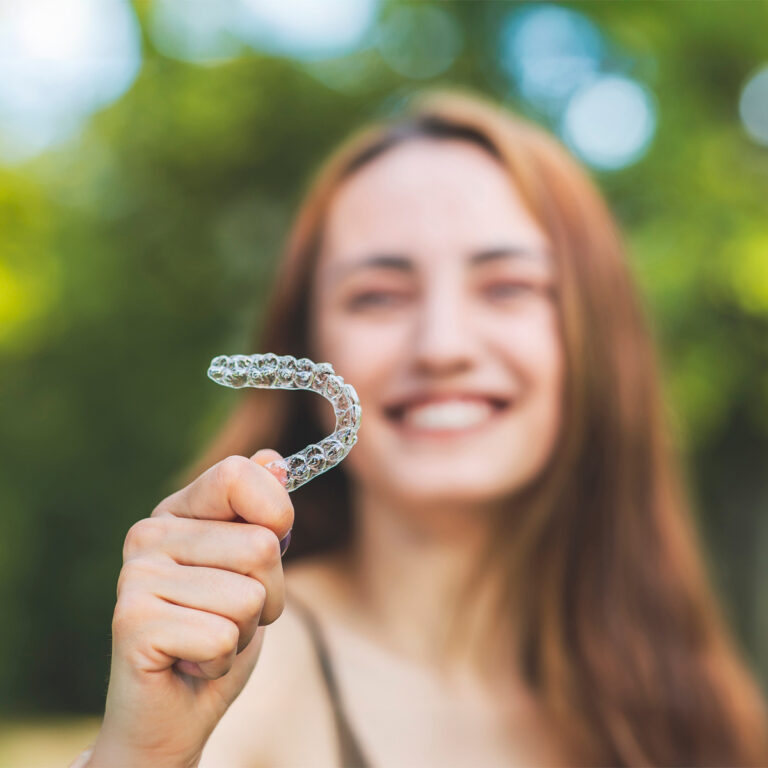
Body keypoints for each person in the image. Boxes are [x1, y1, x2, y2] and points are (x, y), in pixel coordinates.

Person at [74, 87, 768, 767]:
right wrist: (144, 756)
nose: (442, 345)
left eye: (507, 286)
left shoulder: (699, 710)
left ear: (589, 340)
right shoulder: (241, 672)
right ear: (308, 344)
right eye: (378, 295)